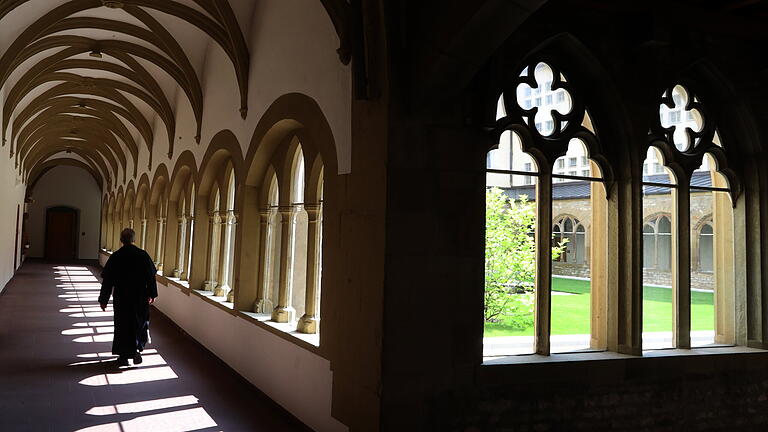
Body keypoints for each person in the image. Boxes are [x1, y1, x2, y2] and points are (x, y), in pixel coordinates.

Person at [98, 228, 158, 367]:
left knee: (122, 325)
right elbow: (151, 277)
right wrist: (152, 294)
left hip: (122, 297)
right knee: (139, 322)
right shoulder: (143, 255)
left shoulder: (116, 256)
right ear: (134, 239)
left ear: (121, 240)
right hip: (140, 297)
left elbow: (108, 281)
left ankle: (123, 356)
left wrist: (103, 299)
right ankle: (136, 350)